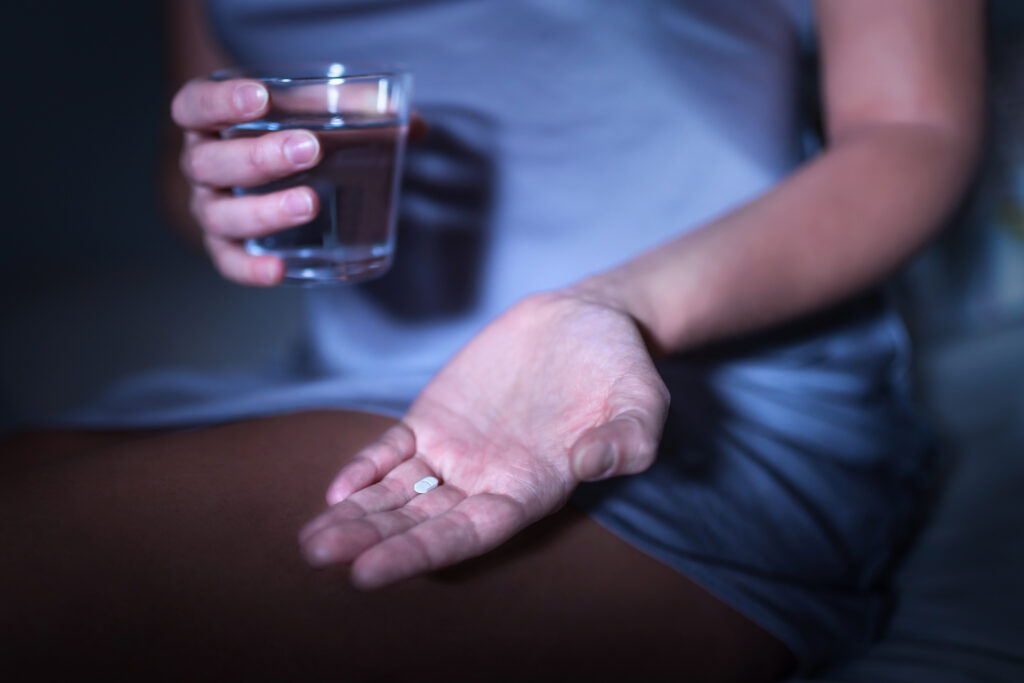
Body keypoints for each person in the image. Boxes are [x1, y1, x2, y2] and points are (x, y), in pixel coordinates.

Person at [0, 0, 983, 680]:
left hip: (695, 385)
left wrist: (613, 305)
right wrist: (227, 190)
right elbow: (194, 175)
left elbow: (912, 131)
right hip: (344, 378)